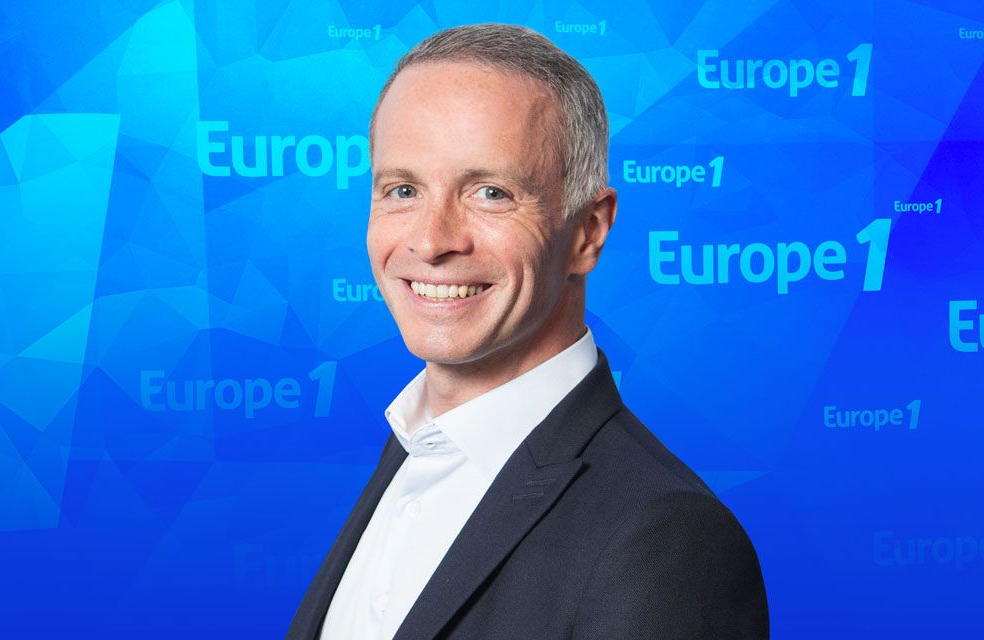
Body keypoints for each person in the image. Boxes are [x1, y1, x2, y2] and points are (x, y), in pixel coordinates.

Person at [288, 23, 769, 640]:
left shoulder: (666, 539)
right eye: (402, 190)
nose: (431, 241)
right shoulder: (412, 451)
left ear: (588, 232)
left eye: (491, 193)